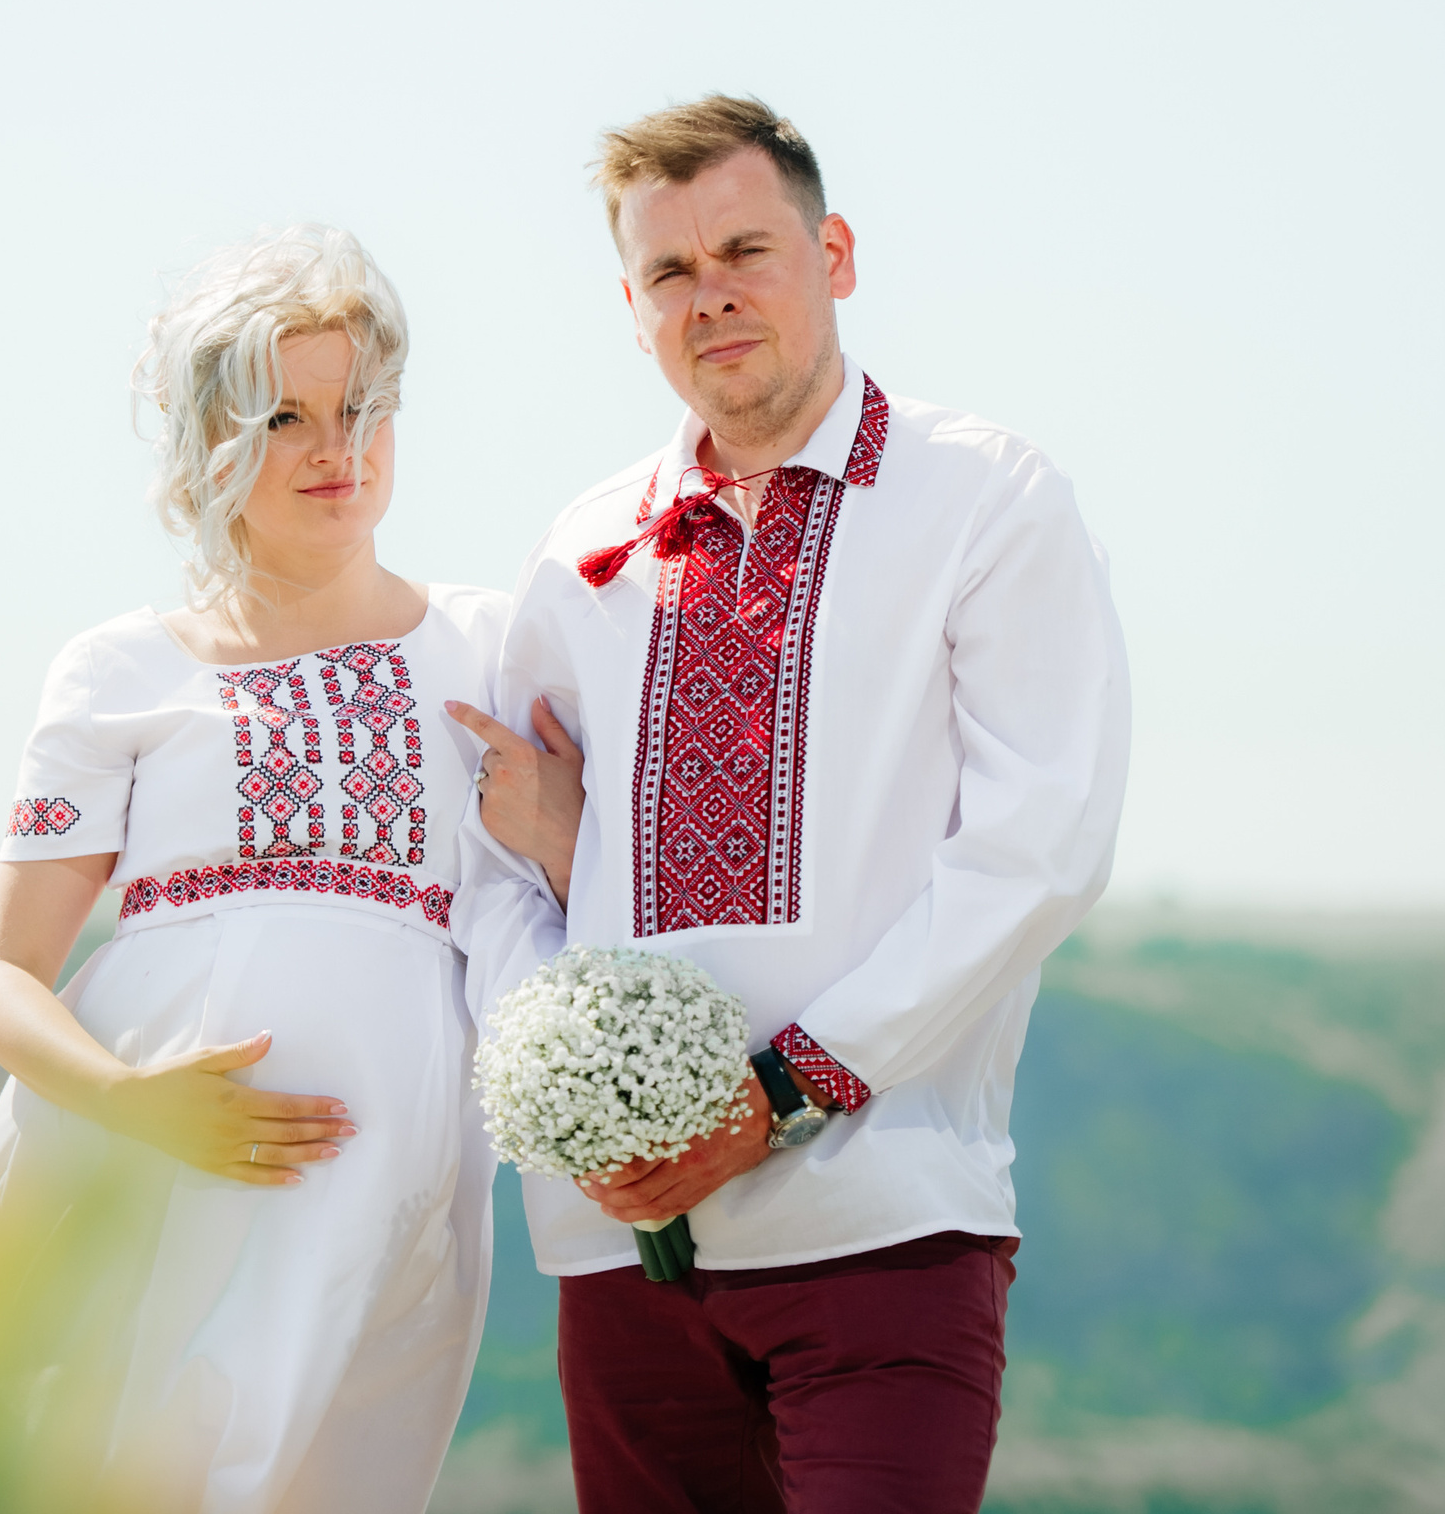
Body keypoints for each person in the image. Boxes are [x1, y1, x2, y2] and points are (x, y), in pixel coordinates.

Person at [448, 96, 1131, 1513]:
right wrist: (573, 1105)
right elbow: (494, 855)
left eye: (747, 249)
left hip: (886, 1222)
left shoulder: (982, 499)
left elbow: (1039, 845)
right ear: (632, 309)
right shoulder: (583, 551)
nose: (714, 295)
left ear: (836, 253)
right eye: (670, 273)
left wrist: (783, 1093)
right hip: (623, 1245)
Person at [0, 225, 507, 1514]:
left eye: (362, 408)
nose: (337, 449)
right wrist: (128, 1099)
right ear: (211, 441)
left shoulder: (492, 645)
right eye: (285, 417)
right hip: (140, 1159)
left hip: (385, 1178)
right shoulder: (122, 670)